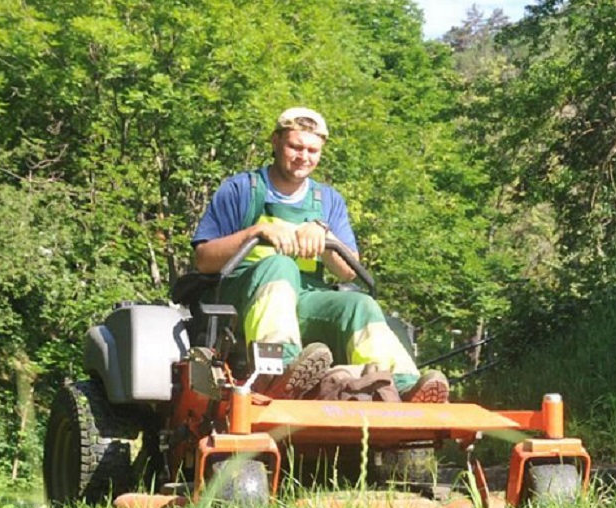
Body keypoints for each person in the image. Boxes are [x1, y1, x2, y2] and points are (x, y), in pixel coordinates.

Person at [191, 107, 449, 403]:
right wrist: (255, 232)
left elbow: (348, 272)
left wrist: (326, 237)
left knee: (359, 304)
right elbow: (204, 259)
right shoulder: (240, 189)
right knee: (279, 266)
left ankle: (401, 385)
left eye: (312, 150)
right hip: (243, 301)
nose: (304, 157)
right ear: (275, 141)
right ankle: (278, 371)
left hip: (304, 301)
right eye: (295, 147)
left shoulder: (327, 200)